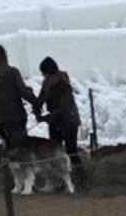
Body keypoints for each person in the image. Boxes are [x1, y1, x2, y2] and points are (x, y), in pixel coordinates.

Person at [32, 56, 87, 185]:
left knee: (71, 150)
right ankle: (61, 179)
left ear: (48, 72)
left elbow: (63, 108)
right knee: (54, 151)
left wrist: (46, 117)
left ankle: (79, 178)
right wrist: (36, 109)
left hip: (69, 121)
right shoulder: (47, 83)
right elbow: (41, 99)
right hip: (56, 122)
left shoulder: (63, 84)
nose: (43, 75)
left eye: (44, 72)